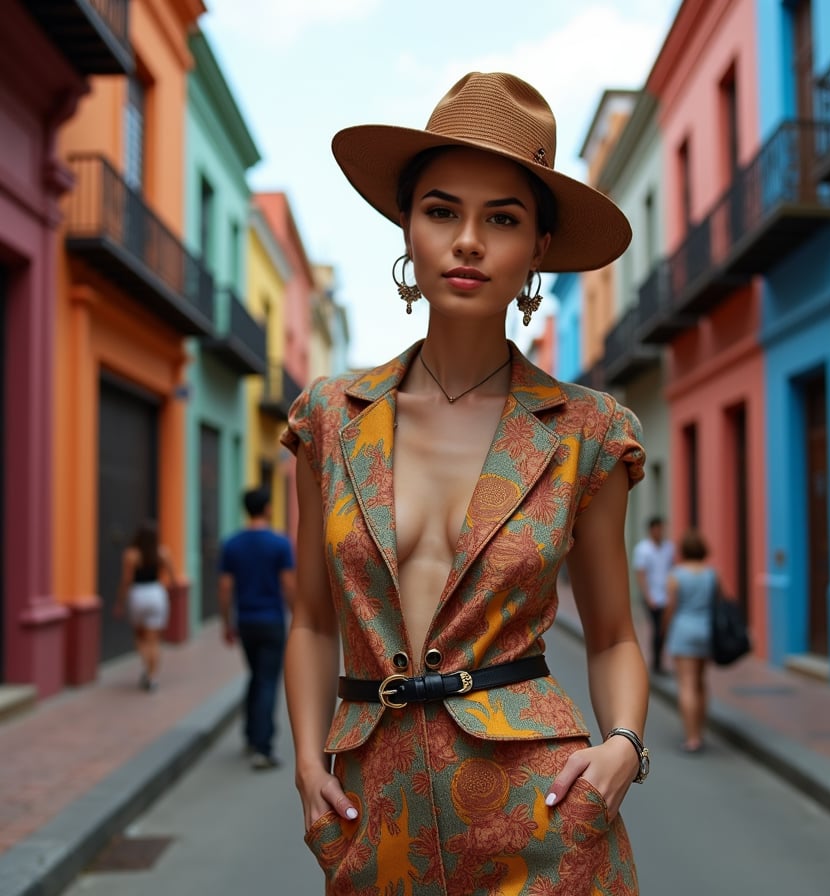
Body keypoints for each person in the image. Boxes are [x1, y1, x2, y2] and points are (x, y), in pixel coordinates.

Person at [281, 72, 649, 894]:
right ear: (408, 228)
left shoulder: (588, 433)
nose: (469, 241)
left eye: (504, 219)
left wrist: (624, 743)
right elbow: (310, 617)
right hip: (375, 820)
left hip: (545, 818)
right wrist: (308, 762)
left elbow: (616, 632)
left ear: (540, 249)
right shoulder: (331, 421)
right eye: (442, 210)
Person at [218, 487, 296, 770]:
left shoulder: (232, 544)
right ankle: (263, 748)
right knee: (266, 680)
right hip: (271, 621)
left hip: (246, 622)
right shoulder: (279, 544)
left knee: (255, 675)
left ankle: (251, 734)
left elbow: (226, 587)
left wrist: (227, 622)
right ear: (266, 508)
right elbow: (288, 584)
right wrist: (298, 616)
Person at [663, 529, 715, 753]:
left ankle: (691, 737)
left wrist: (664, 630)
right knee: (701, 683)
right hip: (706, 631)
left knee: (686, 685)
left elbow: (671, 608)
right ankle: (700, 732)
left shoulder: (676, 575)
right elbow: (720, 603)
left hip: (684, 631)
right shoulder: (712, 575)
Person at [114, 519, 175, 691]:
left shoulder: (131, 555)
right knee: (154, 640)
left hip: (138, 594)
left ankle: (147, 667)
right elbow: (173, 578)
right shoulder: (163, 553)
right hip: (157, 593)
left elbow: (126, 581)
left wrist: (120, 602)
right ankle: (152, 676)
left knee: (140, 637)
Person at [633, 516, 675, 675]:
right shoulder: (643, 549)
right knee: (656, 628)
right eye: (657, 529)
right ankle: (656, 662)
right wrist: (648, 596)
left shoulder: (669, 548)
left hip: (665, 596)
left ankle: (659, 660)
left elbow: (671, 571)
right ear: (651, 530)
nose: (660, 532)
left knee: (663, 630)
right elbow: (641, 574)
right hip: (652, 596)